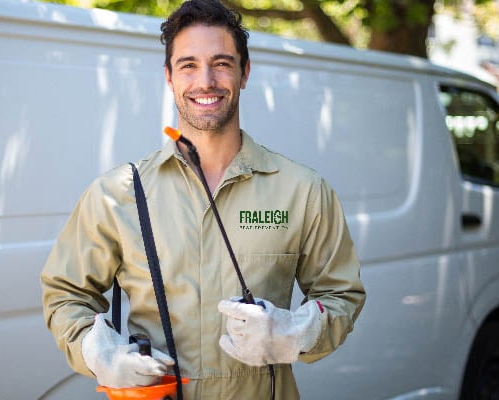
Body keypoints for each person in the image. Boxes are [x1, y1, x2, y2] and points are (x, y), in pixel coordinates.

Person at [41, 0, 366, 398]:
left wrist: (292, 333)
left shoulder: (304, 190)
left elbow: (341, 296)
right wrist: (101, 353)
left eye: (222, 63)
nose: (206, 80)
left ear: (245, 73)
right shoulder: (116, 193)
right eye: (188, 65)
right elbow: (65, 295)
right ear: (169, 76)